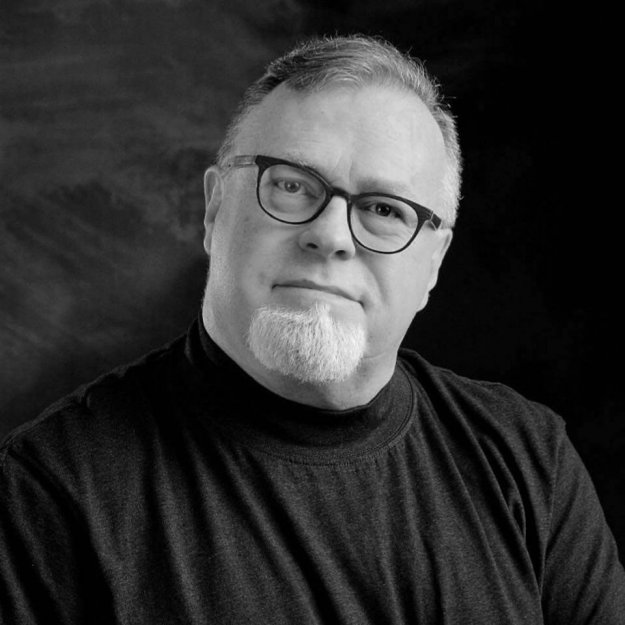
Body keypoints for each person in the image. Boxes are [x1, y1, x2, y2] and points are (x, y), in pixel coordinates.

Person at [1, 34, 623, 625]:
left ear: (433, 261)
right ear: (215, 209)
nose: (329, 236)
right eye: (293, 185)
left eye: (384, 209)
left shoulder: (527, 460)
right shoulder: (45, 495)